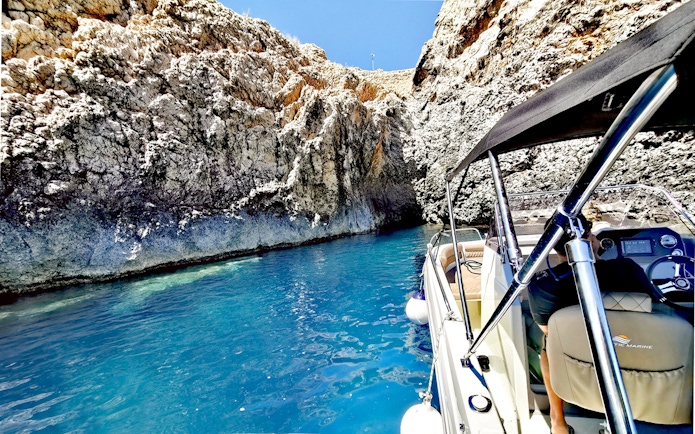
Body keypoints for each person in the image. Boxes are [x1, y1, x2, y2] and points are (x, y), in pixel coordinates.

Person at [527, 215, 653, 434]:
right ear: (591, 241)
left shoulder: (543, 284)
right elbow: (656, 310)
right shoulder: (628, 270)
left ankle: (558, 421)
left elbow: (549, 330)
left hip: (578, 369)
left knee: (549, 342)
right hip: (639, 355)